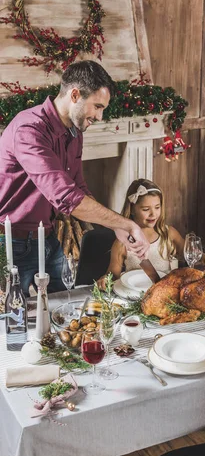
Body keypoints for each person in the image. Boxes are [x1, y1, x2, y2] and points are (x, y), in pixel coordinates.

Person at [0, 61, 149, 295]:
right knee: (15, 322)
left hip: (47, 237)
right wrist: (126, 223)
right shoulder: (30, 129)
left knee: (65, 304)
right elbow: (67, 197)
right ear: (75, 94)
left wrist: (114, 227)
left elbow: (78, 187)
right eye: (97, 106)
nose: (100, 117)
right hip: (11, 243)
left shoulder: (74, 132)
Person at [97, 179, 205, 288]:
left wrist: (203, 257)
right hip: (135, 295)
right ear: (132, 209)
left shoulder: (169, 234)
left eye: (157, 207)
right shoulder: (122, 243)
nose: (153, 214)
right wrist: (105, 279)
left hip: (167, 292)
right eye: (146, 209)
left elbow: (189, 254)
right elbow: (113, 275)